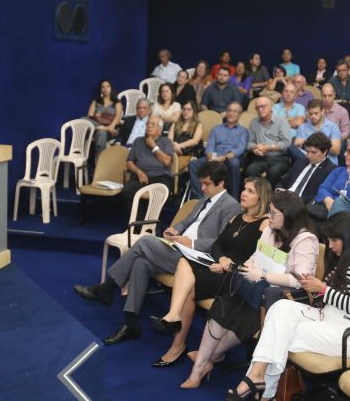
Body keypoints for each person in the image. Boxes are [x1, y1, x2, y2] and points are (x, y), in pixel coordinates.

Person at [73, 162, 241, 345]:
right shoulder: (204, 199)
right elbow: (185, 223)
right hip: (178, 248)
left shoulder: (231, 206)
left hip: (195, 258)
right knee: (140, 263)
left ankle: (105, 289)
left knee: (144, 241)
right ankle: (131, 324)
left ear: (221, 183)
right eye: (201, 183)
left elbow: (220, 243)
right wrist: (174, 231)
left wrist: (191, 242)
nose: (202, 188)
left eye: (207, 184)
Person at [227, 214, 350, 401]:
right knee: (280, 308)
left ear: (349, 237)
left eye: (335, 240)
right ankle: (261, 383)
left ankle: (261, 386)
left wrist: (323, 289)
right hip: (330, 320)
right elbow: (330, 297)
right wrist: (313, 287)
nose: (331, 246)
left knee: (280, 331)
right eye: (329, 240)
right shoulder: (345, 258)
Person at [181, 191, 318, 389]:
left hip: (279, 300)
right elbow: (256, 255)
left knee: (248, 317)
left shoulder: (305, 240)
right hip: (255, 288)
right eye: (269, 212)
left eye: (273, 214)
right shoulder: (271, 230)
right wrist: (248, 267)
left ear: (288, 215)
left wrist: (263, 276)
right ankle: (200, 367)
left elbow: (300, 280)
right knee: (224, 305)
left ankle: (210, 357)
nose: (269, 217)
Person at [149, 177, 272, 367]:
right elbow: (216, 246)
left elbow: (258, 261)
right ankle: (174, 325)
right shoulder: (237, 218)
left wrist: (228, 265)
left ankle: (176, 341)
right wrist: (221, 259)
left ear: (261, 197)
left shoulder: (265, 225)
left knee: (188, 284)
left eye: (250, 191)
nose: (244, 193)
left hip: (236, 277)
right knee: (184, 263)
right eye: (244, 189)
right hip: (217, 267)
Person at [188, 102, 248, 199]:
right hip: (214, 157)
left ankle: (233, 198)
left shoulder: (243, 131)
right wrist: (210, 157)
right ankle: (199, 198)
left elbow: (240, 149)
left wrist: (224, 158)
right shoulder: (216, 128)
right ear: (226, 112)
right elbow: (210, 145)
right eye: (229, 110)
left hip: (230, 158)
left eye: (235, 111)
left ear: (239, 114)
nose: (231, 113)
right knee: (193, 164)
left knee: (235, 163)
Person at [120, 115, 175, 213]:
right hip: (141, 177)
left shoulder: (166, 142)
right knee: (127, 191)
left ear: (159, 129)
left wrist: (153, 146)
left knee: (159, 194)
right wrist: (138, 172)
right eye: (148, 124)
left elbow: (166, 162)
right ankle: (138, 222)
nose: (149, 126)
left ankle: (152, 223)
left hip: (161, 177)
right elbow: (129, 162)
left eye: (153, 124)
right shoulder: (138, 141)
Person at [276, 132, 336, 204]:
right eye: (307, 151)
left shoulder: (330, 170)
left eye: (313, 152)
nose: (309, 155)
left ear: (325, 152)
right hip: (284, 198)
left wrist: (292, 198)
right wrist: (279, 190)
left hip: (301, 205)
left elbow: (316, 196)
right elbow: (282, 182)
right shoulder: (301, 162)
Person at [245, 97, 292, 185]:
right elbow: (249, 143)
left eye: (263, 106)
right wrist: (255, 147)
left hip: (279, 158)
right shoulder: (254, 122)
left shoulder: (281, 121)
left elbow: (286, 143)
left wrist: (268, 147)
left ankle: (268, 197)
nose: (260, 109)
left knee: (273, 172)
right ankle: (256, 195)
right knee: (250, 170)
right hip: (261, 158)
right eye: (257, 107)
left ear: (271, 107)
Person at [292, 100, 342, 164]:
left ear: (322, 112)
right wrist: (297, 144)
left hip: (328, 162)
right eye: (310, 114)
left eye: (316, 113)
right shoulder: (302, 127)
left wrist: (315, 142)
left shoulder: (333, 127)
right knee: (291, 148)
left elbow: (336, 151)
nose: (313, 116)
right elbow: (297, 148)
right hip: (308, 161)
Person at [88, 79, 123, 157]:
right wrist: (97, 117)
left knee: (102, 133)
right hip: (96, 127)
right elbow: (89, 116)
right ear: (100, 90)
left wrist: (108, 126)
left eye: (107, 86)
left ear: (111, 88)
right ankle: (104, 128)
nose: (105, 89)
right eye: (103, 87)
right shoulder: (96, 101)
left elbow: (117, 118)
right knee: (83, 119)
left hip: (110, 129)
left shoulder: (117, 103)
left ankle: (99, 160)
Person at [168, 101, 204, 172]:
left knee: (174, 167)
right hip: (174, 152)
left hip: (190, 153)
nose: (186, 111)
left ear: (194, 111)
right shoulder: (176, 123)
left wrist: (179, 146)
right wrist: (174, 146)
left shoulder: (198, 124)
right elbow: (169, 139)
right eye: (184, 109)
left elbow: (195, 141)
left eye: (189, 109)